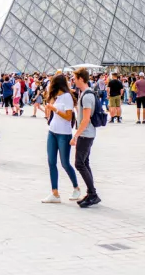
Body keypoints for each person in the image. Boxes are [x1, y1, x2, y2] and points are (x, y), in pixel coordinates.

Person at [41, 74, 81, 203]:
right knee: (51, 162)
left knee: (65, 163)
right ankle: (55, 193)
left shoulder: (67, 97)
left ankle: (76, 188)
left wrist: (54, 109)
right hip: (52, 131)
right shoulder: (57, 97)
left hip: (64, 134)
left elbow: (69, 117)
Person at [70, 67, 100, 207]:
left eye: (75, 78)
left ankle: (93, 194)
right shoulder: (85, 94)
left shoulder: (87, 96)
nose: (73, 81)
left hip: (85, 134)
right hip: (87, 133)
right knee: (84, 163)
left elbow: (86, 119)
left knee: (79, 163)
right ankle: (91, 193)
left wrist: (76, 135)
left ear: (81, 79)